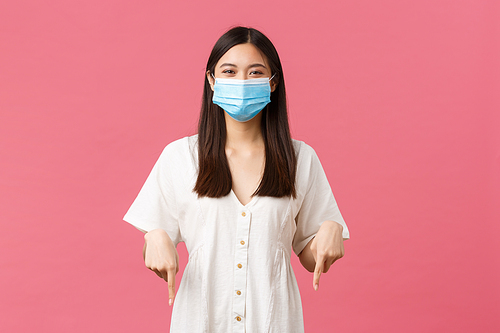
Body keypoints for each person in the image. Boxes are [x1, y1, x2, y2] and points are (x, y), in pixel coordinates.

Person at [124, 26, 350, 332]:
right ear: (211, 80)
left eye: (255, 72)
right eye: (229, 71)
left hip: (273, 323)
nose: (242, 81)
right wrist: (153, 236)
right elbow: (155, 252)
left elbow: (311, 260)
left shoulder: (301, 159)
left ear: (273, 82)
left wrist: (330, 229)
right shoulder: (180, 157)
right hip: (201, 321)